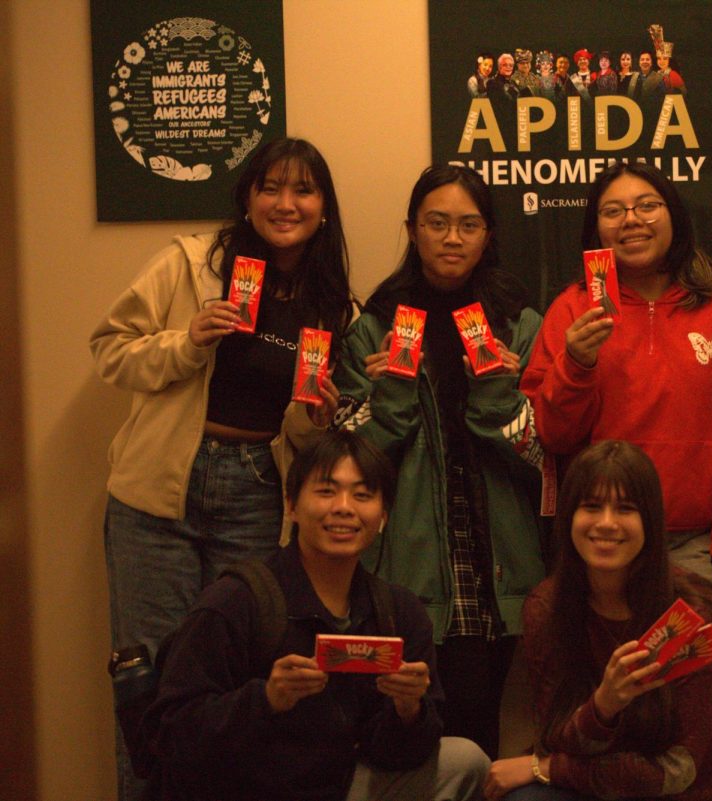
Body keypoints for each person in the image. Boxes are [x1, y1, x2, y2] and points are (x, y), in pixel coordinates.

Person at [91, 137, 352, 801]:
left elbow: (297, 429)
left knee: (236, 673)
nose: (285, 203)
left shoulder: (328, 303)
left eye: (303, 190)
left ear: (324, 207)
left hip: (257, 490)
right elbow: (109, 351)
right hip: (161, 488)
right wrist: (187, 341)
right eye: (270, 187)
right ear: (247, 197)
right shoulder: (191, 262)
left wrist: (316, 416)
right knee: (146, 675)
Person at [147, 431, 490, 801]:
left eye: (363, 495)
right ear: (291, 505)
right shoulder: (236, 601)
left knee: (466, 760)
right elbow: (171, 739)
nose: (344, 507)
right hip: (242, 789)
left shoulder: (398, 612)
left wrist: (408, 710)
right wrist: (266, 699)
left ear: (384, 515)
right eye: (326, 491)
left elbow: (395, 755)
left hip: (337, 786)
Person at [333, 164, 545, 759]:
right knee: (400, 736)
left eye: (468, 225)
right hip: (405, 571)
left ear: (488, 235)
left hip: (493, 569)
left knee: (477, 740)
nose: (453, 238)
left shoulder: (520, 323)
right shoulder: (373, 325)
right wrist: (392, 395)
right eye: (437, 223)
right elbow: (355, 462)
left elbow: (542, 456)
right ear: (412, 230)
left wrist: (501, 388)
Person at [520, 162, 712, 610]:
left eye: (647, 206)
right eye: (613, 211)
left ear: (673, 215)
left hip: (702, 546)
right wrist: (576, 364)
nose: (631, 220)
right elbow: (553, 437)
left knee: (694, 679)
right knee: (609, 677)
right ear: (596, 229)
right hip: (603, 540)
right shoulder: (573, 309)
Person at [483, 440, 712, 801]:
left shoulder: (694, 612)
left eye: (625, 509)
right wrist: (604, 704)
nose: (606, 523)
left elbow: (677, 773)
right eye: (591, 506)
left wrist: (550, 767)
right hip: (608, 775)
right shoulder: (546, 607)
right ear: (569, 516)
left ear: (649, 522)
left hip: (703, 789)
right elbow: (558, 736)